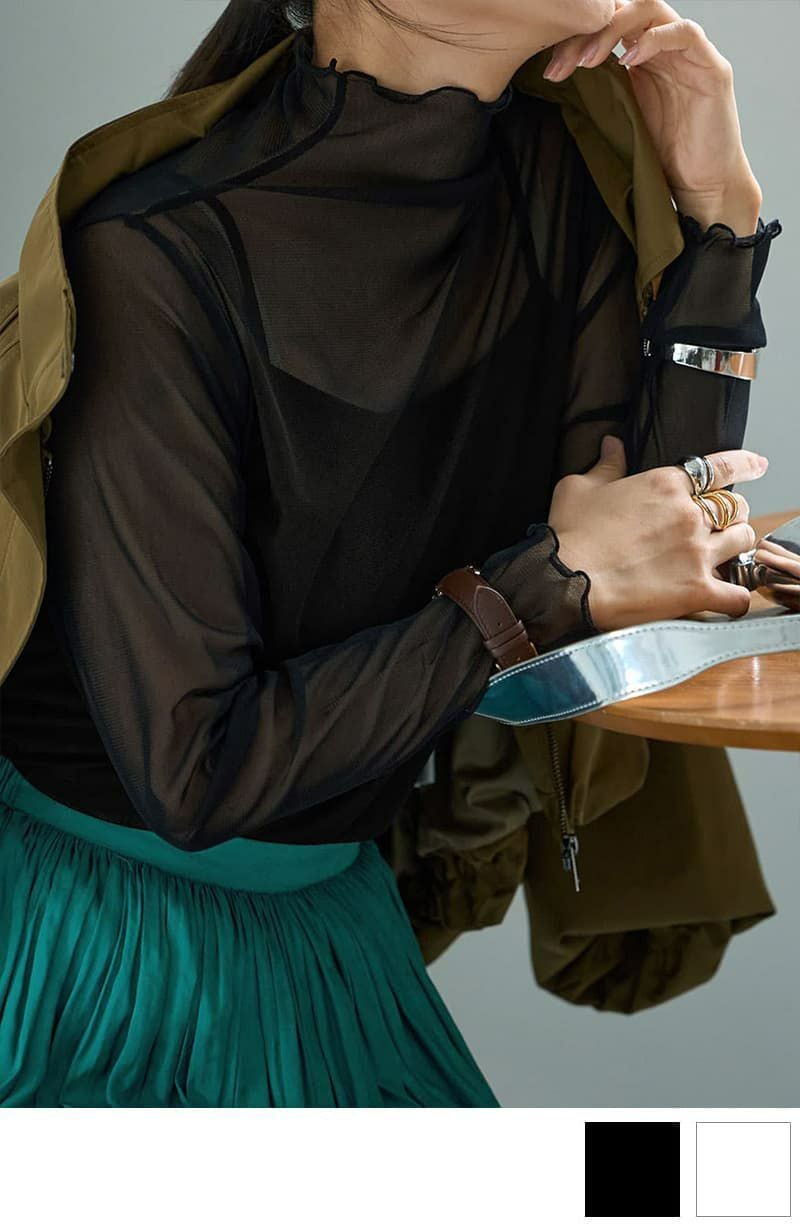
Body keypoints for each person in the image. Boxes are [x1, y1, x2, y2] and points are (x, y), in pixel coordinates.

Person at [0, 0, 781, 1107]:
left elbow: (655, 559)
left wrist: (717, 215)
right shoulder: (155, 249)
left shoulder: (554, 188)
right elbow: (196, 771)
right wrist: (546, 586)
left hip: (332, 926)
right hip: (92, 954)